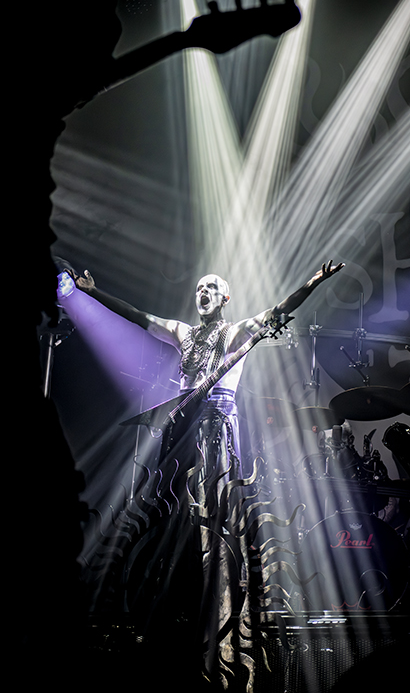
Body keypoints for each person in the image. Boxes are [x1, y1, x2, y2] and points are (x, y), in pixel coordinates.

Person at [58, 259, 344, 673]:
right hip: (182, 426)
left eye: (210, 288)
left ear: (225, 297)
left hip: (217, 426)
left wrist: (313, 282)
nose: (202, 293)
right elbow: (138, 317)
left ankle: (221, 604)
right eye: (198, 289)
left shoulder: (236, 333)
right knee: (171, 507)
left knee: (215, 510)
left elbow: (279, 310)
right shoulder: (183, 333)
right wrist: (92, 292)